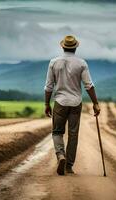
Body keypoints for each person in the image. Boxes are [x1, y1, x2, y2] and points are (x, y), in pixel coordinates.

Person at [44, 35, 100, 175]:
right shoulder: (81, 63)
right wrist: (95, 103)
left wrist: (46, 103)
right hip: (76, 103)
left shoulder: (53, 62)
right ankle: (68, 166)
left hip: (60, 102)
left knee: (57, 132)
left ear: (62, 46)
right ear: (75, 47)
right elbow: (89, 85)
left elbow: (48, 87)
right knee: (73, 134)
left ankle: (60, 156)